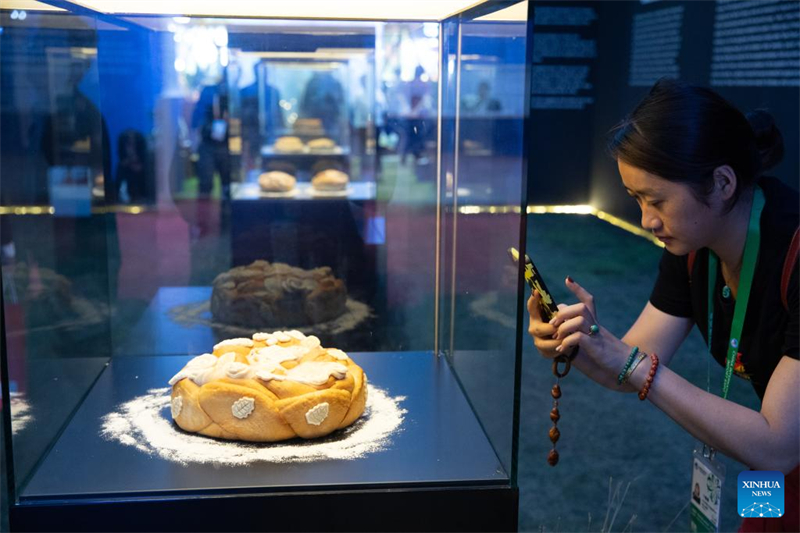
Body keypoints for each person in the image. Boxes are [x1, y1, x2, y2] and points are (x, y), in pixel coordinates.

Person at [527, 79, 798, 533]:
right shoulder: (691, 247)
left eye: (657, 201)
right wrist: (575, 343)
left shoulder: (792, 250)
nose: (647, 220)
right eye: (636, 199)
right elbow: (629, 366)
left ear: (723, 183)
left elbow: (777, 445)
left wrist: (627, 360)